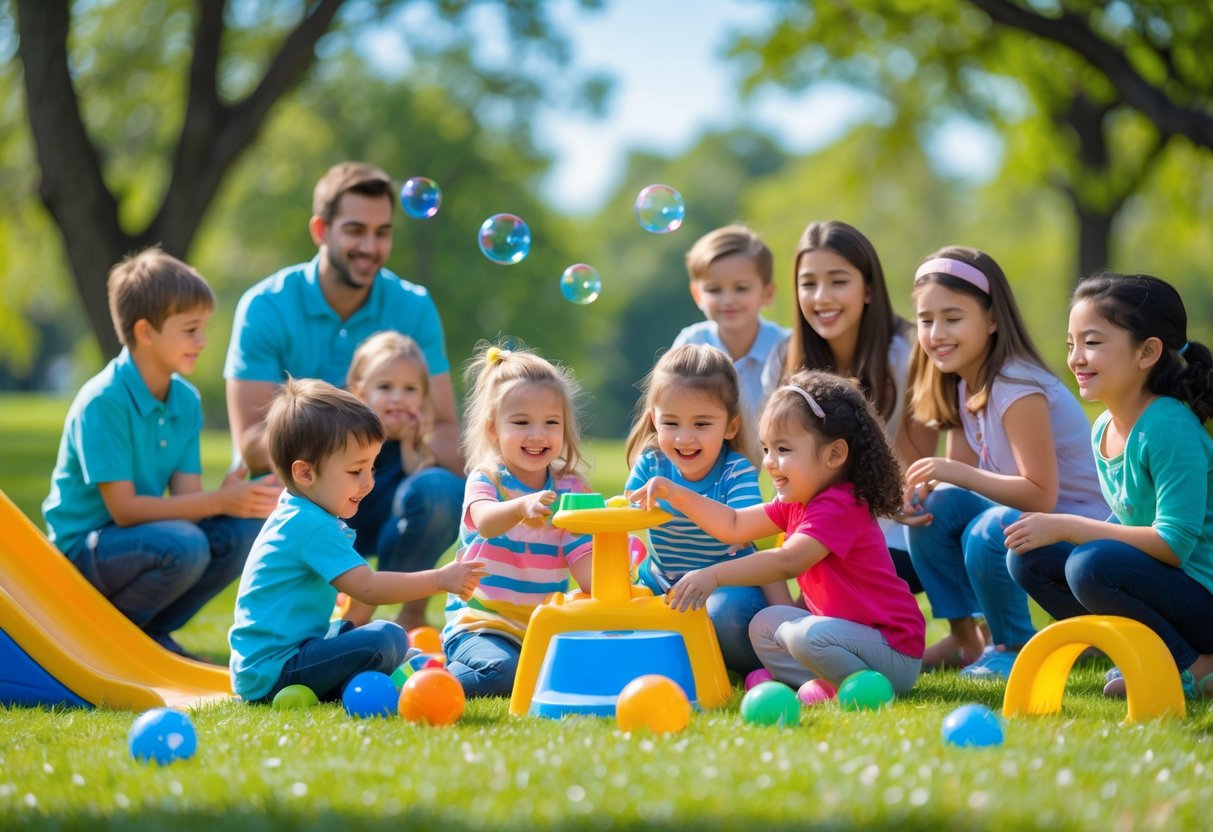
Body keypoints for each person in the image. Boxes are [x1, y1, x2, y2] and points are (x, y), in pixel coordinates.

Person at [224, 161, 463, 630]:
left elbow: (450, 437)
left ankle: (411, 620)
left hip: (385, 486)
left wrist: (411, 432)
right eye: (355, 230)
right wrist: (346, 418)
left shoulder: (412, 305)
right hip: (302, 494)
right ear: (321, 229)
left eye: (383, 232)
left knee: (439, 489)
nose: (370, 248)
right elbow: (252, 445)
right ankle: (313, 626)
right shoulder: (266, 306)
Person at [42, 247, 279, 658]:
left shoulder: (185, 401)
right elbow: (125, 511)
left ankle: (152, 634)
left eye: (203, 328)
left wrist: (230, 500)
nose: (203, 341)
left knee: (242, 533)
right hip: (81, 553)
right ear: (145, 332)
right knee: (185, 545)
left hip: (138, 542)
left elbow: (186, 502)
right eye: (190, 330)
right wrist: (218, 500)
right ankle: (115, 640)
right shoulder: (103, 401)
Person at [629, 372, 924, 695]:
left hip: (892, 648)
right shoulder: (797, 502)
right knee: (765, 625)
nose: (769, 462)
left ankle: (856, 689)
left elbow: (788, 561)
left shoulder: (841, 504)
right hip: (843, 638)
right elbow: (734, 525)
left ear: (834, 455)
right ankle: (814, 684)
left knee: (805, 635)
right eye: (766, 448)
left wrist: (712, 576)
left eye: (783, 449)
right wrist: (677, 494)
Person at [1005, 273, 1213, 699]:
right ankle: (1138, 653)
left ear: (1148, 351)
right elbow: (1128, 514)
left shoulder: (1169, 426)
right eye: (1071, 345)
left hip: (1202, 597)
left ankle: (1194, 666)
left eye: (1093, 343)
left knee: (1090, 565)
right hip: (1168, 588)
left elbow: (1173, 544)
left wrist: (1069, 526)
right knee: (1029, 557)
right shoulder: (1103, 427)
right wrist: (1061, 533)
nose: (1077, 358)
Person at [904, 246, 1106, 678]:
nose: (937, 332)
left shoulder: (1017, 385)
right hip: (1035, 520)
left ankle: (1012, 644)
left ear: (992, 319)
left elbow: (1040, 494)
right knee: (933, 511)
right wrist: (919, 493)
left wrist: (954, 473)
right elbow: (956, 490)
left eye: (953, 318)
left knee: (987, 530)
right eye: (926, 320)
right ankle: (966, 638)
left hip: (1084, 531)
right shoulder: (963, 383)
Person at [228, 378, 484, 703]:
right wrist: (441, 579)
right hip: (276, 670)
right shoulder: (310, 525)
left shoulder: (299, 511)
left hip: (277, 661)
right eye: (355, 472)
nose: (369, 482)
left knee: (368, 636)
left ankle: (384, 665)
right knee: (387, 636)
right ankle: (384, 666)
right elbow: (369, 587)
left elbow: (357, 599)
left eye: (372, 467)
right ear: (305, 474)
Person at [761, 220, 936, 593]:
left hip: (892, 533)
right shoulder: (782, 360)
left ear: (868, 288)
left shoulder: (907, 353)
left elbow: (917, 466)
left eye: (838, 281)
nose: (822, 297)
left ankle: (964, 631)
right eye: (808, 283)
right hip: (816, 528)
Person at [441, 344, 595, 697]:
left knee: (583, 666)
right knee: (505, 673)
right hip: (481, 626)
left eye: (550, 423)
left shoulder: (570, 487)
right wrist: (521, 507)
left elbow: (584, 564)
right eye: (522, 422)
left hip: (542, 628)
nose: (537, 434)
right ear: (494, 428)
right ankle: (429, 677)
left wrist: (619, 580)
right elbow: (485, 522)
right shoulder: (487, 479)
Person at [623, 343, 771, 674]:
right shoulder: (651, 465)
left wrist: (677, 496)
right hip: (661, 582)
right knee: (618, 605)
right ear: (654, 421)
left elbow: (745, 528)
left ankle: (745, 663)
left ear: (729, 427)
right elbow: (625, 510)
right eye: (671, 423)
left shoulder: (736, 471)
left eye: (702, 424)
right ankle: (672, 658)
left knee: (723, 616)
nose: (685, 438)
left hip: (726, 588)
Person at [341, 331, 439, 626]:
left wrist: (410, 442)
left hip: (390, 525)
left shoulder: (417, 437)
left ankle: (406, 614)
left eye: (410, 389)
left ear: (422, 397)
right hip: (345, 522)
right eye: (385, 387)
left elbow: (418, 480)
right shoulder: (348, 432)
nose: (398, 398)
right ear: (359, 392)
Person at [672, 225, 788, 426]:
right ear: (697, 294)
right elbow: (669, 409)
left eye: (741, 288)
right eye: (714, 289)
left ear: (767, 293)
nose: (728, 300)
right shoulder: (691, 343)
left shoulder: (786, 346)